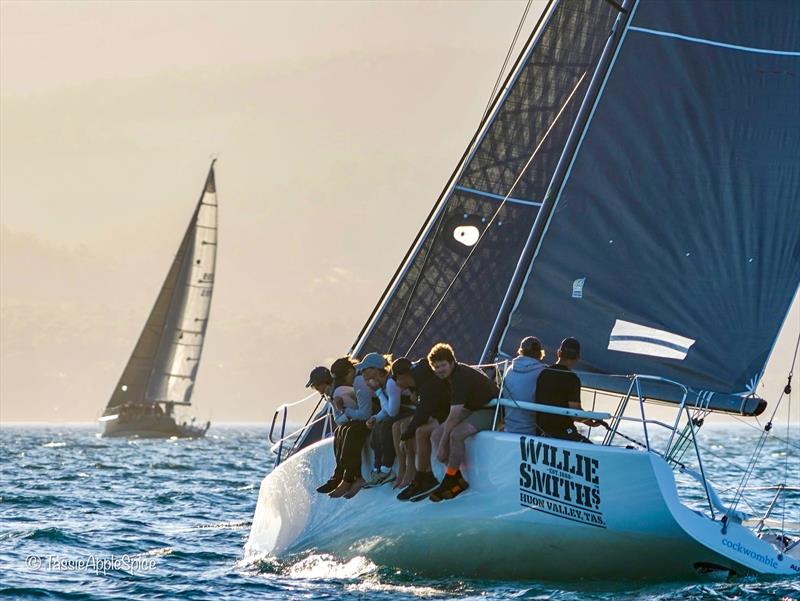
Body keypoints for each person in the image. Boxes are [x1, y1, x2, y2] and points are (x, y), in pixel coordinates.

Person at [428, 342, 498, 502]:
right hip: (473, 407)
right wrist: (441, 441)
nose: (439, 370)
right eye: (436, 367)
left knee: (456, 435)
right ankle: (457, 479)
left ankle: (449, 479)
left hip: (490, 409)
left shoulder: (461, 377)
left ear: (453, 362)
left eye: (443, 365)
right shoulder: (448, 376)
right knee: (436, 434)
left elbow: (454, 415)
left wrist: (442, 448)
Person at [393, 357, 451, 501]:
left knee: (420, 431)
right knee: (416, 430)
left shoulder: (426, 385)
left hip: (450, 413)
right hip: (440, 412)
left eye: (395, 378)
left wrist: (404, 437)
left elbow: (422, 415)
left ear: (402, 376)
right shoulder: (419, 381)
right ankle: (424, 475)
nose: (394, 382)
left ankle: (424, 477)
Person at [328, 353, 380, 499]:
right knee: (342, 431)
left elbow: (364, 414)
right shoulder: (356, 377)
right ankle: (341, 475)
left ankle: (351, 478)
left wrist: (344, 409)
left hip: (378, 416)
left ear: (350, 372)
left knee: (352, 431)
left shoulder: (358, 380)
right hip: (375, 414)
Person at [534, 337, 600, 442]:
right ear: (578, 357)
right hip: (563, 434)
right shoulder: (572, 379)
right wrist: (589, 418)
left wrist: (588, 420)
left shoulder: (543, 373)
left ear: (558, 353)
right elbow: (575, 414)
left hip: (541, 433)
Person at [362, 356, 400, 486]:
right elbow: (386, 410)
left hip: (408, 411)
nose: (363, 373)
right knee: (378, 427)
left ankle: (386, 469)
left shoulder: (390, 383)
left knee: (385, 426)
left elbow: (392, 412)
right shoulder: (384, 383)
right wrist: (375, 418)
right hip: (398, 412)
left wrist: (378, 391)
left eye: (366, 369)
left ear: (376, 369)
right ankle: (377, 469)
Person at [502, 336, 547, 435]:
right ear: (540, 353)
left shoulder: (509, 370)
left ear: (521, 351)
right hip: (532, 434)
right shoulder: (543, 372)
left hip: (509, 430)